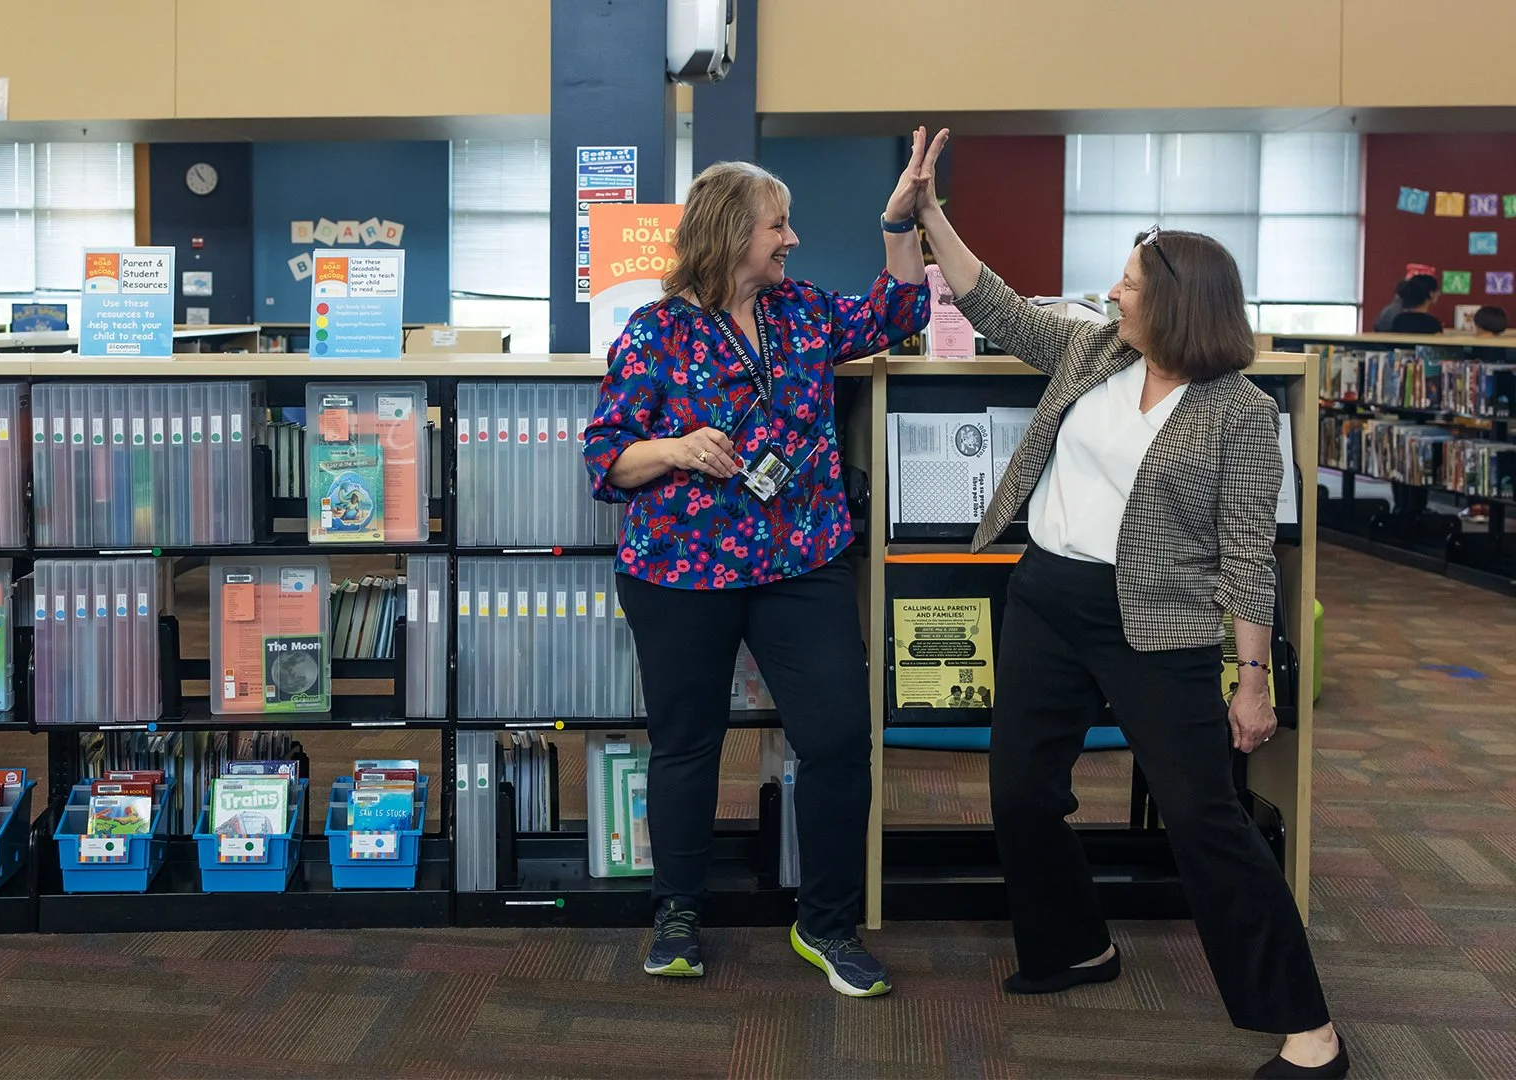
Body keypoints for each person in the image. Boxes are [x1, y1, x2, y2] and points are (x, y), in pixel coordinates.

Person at [901, 130, 1349, 1080]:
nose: (1112, 293)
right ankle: (1074, 946)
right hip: (1048, 596)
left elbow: (1245, 556)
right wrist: (930, 209)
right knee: (1020, 790)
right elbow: (994, 303)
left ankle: (1308, 1028)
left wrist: (1252, 679)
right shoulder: (1095, 349)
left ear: (1178, 305)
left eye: (1131, 286)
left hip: (1159, 623)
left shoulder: (1241, 411)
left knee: (1202, 817)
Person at [582, 136, 934, 997]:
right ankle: (677, 914)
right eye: (779, 225)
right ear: (732, 232)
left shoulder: (805, 313)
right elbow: (605, 461)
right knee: (687, 744)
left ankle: (826, 924)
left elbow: (901, 311)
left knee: (840, 739)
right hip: (679, 569)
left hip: (801, 560)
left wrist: (902, 218)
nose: (792, 239)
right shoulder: (655, 332)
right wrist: (671, 446)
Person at [1372, 272, 1439, 332]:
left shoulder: (1398, 320)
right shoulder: (1432, 324)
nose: (1439, 294)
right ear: (1431, 294)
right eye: (1437, 291)